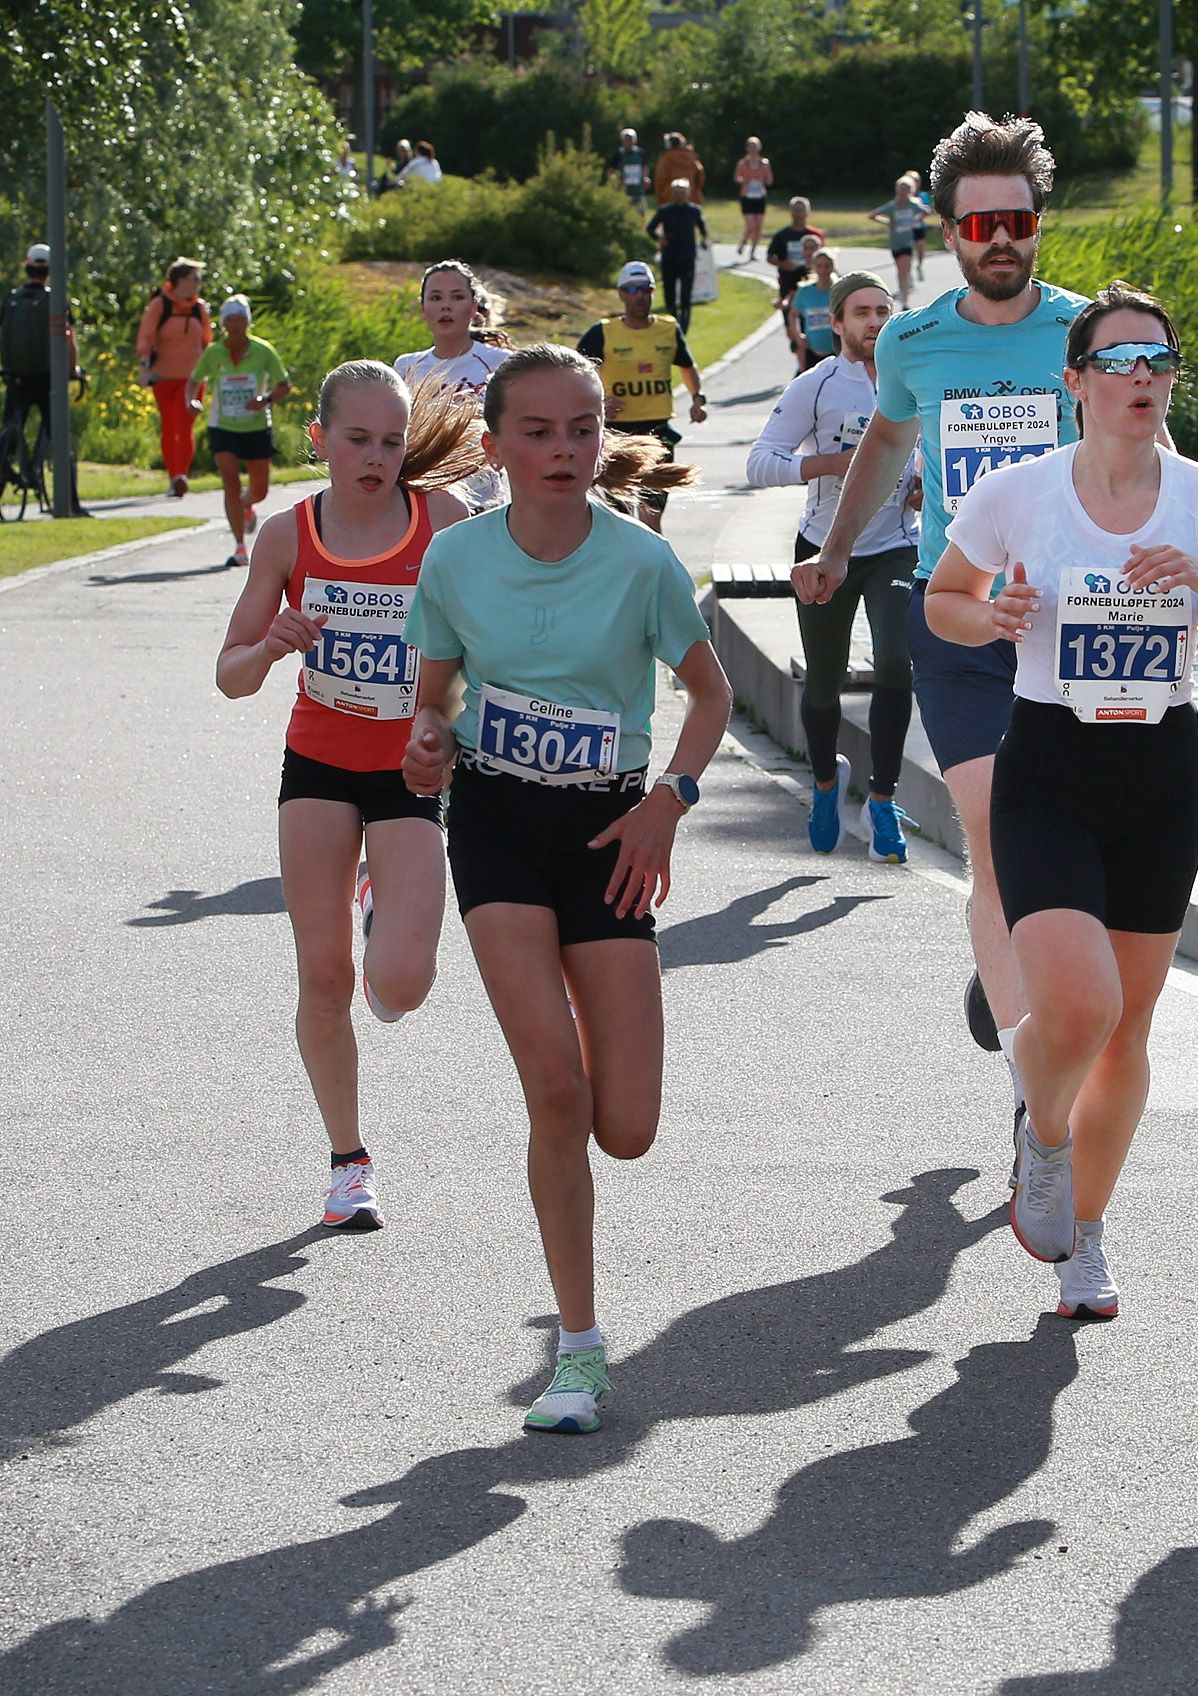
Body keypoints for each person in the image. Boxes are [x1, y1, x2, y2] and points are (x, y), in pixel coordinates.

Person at [400, 343, 734, 1434]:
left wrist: (669, 798)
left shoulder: (642, 563)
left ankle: (593, 1036)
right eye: (537, 432)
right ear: (494, 447)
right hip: (497, 826)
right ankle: (579, 1352)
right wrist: (427, 742)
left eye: (581, 429)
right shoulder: (456, 560)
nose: (562, 449)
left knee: (624, 1127)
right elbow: (434, 696)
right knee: (554, 1093)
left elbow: (711, 696)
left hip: (610, 832)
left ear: (602, 439)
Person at [925, 286, 1198, 1318]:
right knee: (1083, 1008)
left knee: (1127, 1031)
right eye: (1118, 361)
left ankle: (1085, 1233)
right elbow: (943, 603)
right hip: (1049, 769)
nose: (1141, 378)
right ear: (1074, 381)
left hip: (1159, 775)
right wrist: (992, 616)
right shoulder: (1017, 493)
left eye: (1158, 361)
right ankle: (1042, 1126)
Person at [800, 111, 1091, 1150]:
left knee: (1070, 843)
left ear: (1039, 221)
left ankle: (1007, 961)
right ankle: (1028, 1094)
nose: (999, 239)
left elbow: (1146, 452)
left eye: (1017, 220)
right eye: (978, 224)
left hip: (1072, 622)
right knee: (995, 841)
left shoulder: (1089, 334)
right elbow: (887, 440)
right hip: (957, 614)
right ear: (948, 230)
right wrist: (838, 550)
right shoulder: (913, 341)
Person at [214, 361, 480, 1231]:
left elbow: (490, 646)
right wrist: (272, 644)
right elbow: (230, 674)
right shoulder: (287, 537)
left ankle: (380, 900)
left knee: (400, 986)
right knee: (324, 974)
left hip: (408, 774)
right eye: (358, 440)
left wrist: (444, 721)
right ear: (318, 439)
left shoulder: (444, 522)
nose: (376, 458)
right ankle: (348, 1163)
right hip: (319, 769)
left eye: (392, 442)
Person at [748, 269, 919, 862]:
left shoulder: (913, 382)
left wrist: (921, 486)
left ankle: (882, 801)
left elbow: (934, 451)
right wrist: (836, 464)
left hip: (897, 545)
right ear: (837, 323)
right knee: (825, 679)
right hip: (823, 547)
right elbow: (760, 463)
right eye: (862, 313)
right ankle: (826, 785)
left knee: (896, 660)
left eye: (883, 312)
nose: (875, 322)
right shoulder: (816, 386)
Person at [576, 261, 706, 533]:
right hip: (618, 433)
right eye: (633, 289)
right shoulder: (603, 332)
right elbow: (573, 371)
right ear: (621, 294)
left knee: (652, 514)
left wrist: (697, 397)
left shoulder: (668, 328)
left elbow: (687, 365)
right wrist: (598, 405)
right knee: (619, 514)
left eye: (646, 289)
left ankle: (652, 559)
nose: (640, 296)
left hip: (658, 431)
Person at [394, 259, 514, 509]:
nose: (445, 306)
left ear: (473, 307)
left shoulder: (500, 363)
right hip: (426, 493)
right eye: (436, 298)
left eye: (457, 297)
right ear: (423, 308)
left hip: (483, 498)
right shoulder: (406, 366)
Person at [189, 296, 291, 570]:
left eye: (240, 319)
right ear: (223, 323)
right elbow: (194, 381)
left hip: (256, 427)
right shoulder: (213, 353)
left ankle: (245, 505)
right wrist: (192, 401)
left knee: (260, 490)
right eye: (230, 320)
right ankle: (239, 546)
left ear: (248, 322)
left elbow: (284, 385)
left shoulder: (263, 350)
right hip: (222, 427)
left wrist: (265, 399)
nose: (235, 325)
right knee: (230, 482)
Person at [136, 257, 215, 498]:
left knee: (184, 424)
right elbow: (146, 337)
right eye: (194, 278)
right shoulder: (160, 305)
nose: (198, 283)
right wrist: (145, 364)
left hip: (193, 378)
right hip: (164, 377)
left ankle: (181, 475)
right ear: (180, 280)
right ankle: (175, 477)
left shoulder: (199, 308)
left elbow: (207, 340)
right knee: (170, 426)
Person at [1, 243, 80, 465]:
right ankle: (65, 475)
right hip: (47, 379)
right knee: (58, 432)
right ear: (50, 270)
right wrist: (73, 369)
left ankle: (6, 458)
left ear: (27, 266)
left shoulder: (11, 299)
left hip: (16, 377)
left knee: (10, 426)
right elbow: (68, 338)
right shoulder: (55, 300)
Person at [646, 179, 710, 333]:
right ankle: (672, 320)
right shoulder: (665, 211)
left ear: (688, 193)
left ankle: (685, 324)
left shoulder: (694, 210)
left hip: (688, 256)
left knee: (686, 293)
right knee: (669, 292)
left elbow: (702, 229)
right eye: (676, 193)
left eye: (682, 193)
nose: (680, 196)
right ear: (672, 194)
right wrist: (659, 238)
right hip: (670, 256)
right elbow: (650, 228)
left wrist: (704, 240)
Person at [767, 197, 826, 334]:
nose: (799, 214)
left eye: (802, 210)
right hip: (788, 282)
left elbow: (824, 256)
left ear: (808, 212)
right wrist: (783, 264)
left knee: (808, 325)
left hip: (813, 282)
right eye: (796, 210)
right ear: (791, 212)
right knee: (790, 325)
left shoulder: (815, 235)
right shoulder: (782, 236)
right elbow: (770, 257)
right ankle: (794, 340)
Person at [870, 177, 922, 305]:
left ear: (909, 191)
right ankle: (904, 291)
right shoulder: (892, 206)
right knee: (901, 270)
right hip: (895, 243)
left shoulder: (913, 205)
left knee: (904, 270)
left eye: (905, 190)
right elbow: (872, 215)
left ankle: (905, 301)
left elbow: (927, 211)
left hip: (907, 242)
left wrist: (915, 220)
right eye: (900, 189)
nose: (902, 192)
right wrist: (888, 223)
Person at [787, 246, 837, 371]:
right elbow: (792, 315)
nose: (823, 270)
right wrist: (798, 336)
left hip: (836, 352)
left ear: (832, 267)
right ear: (813, 267)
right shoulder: (805, 291)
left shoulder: (838, 291)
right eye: (819, 266)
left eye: (827, 266)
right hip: (812, 351)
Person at [733, 137, 774, 258]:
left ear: (759, 148)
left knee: (759, 227)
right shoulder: (742, 163)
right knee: (751, 226)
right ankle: (744, 241)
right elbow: (736, 178)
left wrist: (761, 180)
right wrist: (746, 181)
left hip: (760, 196)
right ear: (747, 148)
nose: (753, 149)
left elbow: (770, 180)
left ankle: (753, 251)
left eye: (755, 147)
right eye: (750, 146)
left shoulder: (764, 163)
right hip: (747, 196)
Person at [653, 133, 703, 204]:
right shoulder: (693, 158)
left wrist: (659, 197)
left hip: (670, 196)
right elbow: (700, 178)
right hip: (691, 196)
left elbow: (660, 179)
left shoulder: (666, 159)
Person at [609, 128, 650, 210]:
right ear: (622, 141)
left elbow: (645, 168)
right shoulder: (618, 154)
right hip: (623, 192)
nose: (628, 142)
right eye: (626, 140)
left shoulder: (640, 153)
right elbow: (610, 172)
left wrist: (645, 178)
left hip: (638, 190)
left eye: (630, 139)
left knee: (640, 213)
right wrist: (616, 181)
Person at [906, 170, 932, 283]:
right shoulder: (904, 196)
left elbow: (928, 210)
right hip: (906, 229)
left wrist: (917, 217)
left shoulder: (923, 196)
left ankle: (919, 265)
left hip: (919, 227)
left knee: (920, 249)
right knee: (908, 251)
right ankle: (908, 273)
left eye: (917, 181)